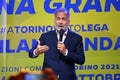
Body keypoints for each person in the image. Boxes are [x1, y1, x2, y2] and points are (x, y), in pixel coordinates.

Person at [29, 7, 85, 80]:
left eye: (63, 19)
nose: (60, 22)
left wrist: (66, 52)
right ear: (54, 20)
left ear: (68, 21)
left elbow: (81, 60)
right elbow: (30, 54)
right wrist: (36, 51)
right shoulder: (46, 36)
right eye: (58, 19)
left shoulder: (76, 38)